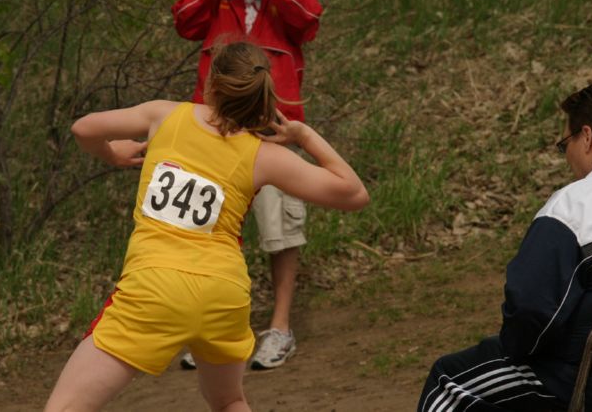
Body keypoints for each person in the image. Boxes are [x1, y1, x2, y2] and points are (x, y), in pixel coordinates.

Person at [45, 42, 368, 412]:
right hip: (223, 295)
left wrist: (113, 152)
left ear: (211, 85)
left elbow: (84, 128)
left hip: (154, 289)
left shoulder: (165, 115)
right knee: (229, 400)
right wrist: (303, 135)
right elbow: (354, 192)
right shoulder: (265, 156)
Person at [172, 0, 323, 370]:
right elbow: (184, 22)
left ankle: (279, 328)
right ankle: (211, 329)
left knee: (279, 230)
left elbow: (307, 19)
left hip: (272, 132)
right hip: (215, 133)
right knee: (210, 231)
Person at [417, 80, 592, 412]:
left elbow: (531, 312)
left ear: (586, 137)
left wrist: (518, 348)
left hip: (586, 380)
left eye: (564, 142)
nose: (566, 154)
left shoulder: (574, 207)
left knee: (448, 381)